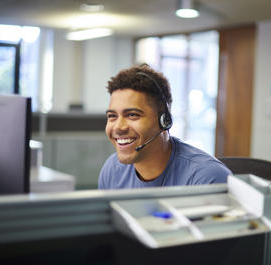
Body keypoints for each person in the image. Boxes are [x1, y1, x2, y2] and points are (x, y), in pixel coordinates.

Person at [98, 64, 231, 189]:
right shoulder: (112, 170)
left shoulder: (207, 179)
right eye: (112, 116)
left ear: (164, 121)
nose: (118, 127)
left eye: (132, 115)